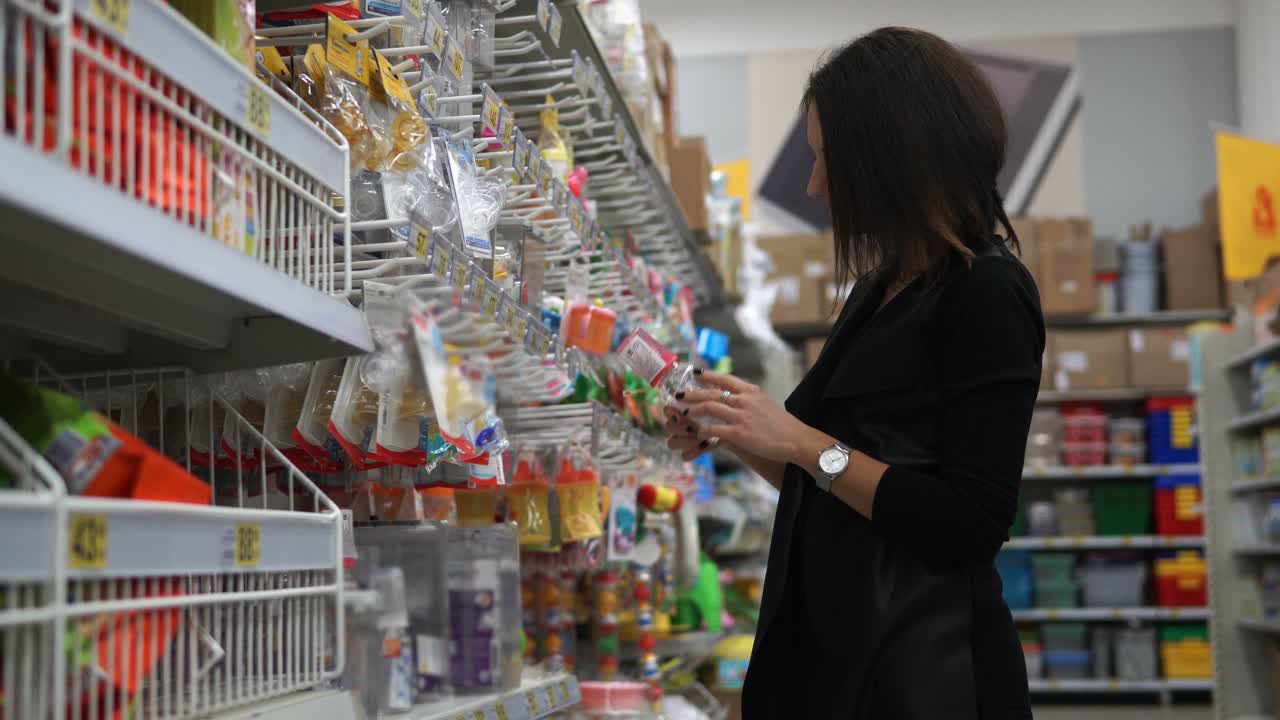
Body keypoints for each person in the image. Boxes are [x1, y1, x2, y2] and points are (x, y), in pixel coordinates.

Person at [663, 27, 1044, 719]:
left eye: (827, 159)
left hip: (926, 674)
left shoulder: (987, 292)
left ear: (893, 157)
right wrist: (738, 431)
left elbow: (969, 520)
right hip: (842, 652)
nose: (813, 185)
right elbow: (830, 487)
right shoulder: (879, 290)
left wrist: (802, 441)